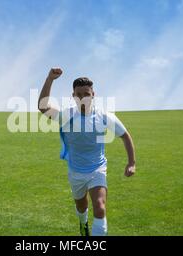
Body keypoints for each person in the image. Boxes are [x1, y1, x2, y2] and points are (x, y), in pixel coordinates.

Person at [38, 67, 136, 236]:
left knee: (99, 206)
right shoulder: (67, 116)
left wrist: (131, 163)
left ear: (93, 95)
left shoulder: (104, 116)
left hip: (97, 168)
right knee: (81, 206)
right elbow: (43, 106)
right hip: (76, 171)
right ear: (73, 96)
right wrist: (50, 78)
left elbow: (125, 136)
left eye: (87, 94)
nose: (83, 98)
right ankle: (83, 225)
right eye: (79, 94)